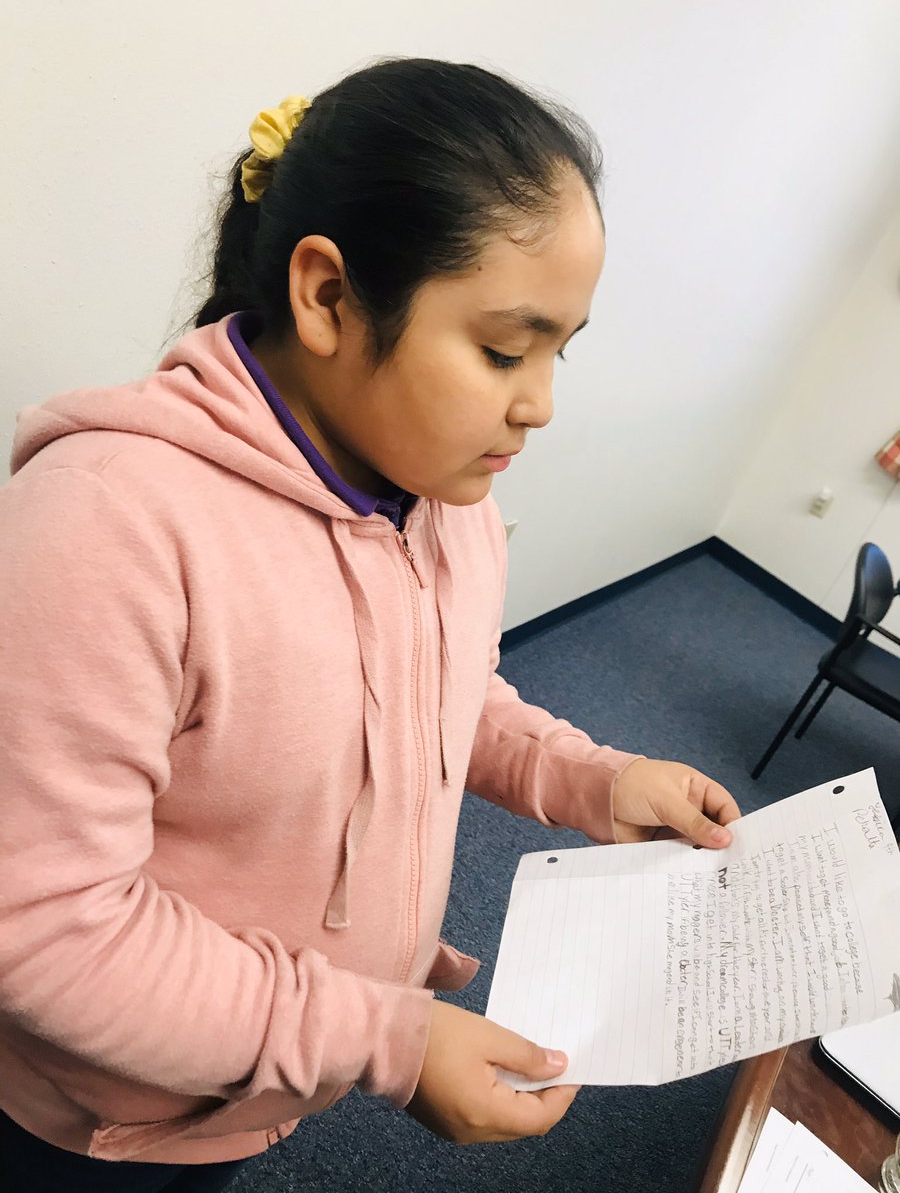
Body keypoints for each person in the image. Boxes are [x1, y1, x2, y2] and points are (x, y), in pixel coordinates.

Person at [0, 57, 741, 1192]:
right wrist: (383, 1039)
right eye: (504, 348)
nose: (540, 401)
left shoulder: (442, 501)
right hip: (97, 1121)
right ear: (329, 297)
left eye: (560, 350)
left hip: (267, 1082)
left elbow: (440, 693)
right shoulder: (107, 530)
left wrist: (588, 778)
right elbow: (47, 931)